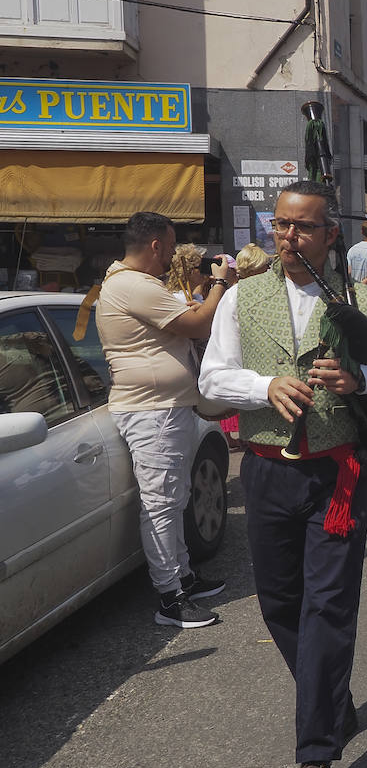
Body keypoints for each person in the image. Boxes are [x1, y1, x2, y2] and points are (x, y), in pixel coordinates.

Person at [199, 181, 367, 768]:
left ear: (331, 235)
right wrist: (263, 387)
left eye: (303, 227)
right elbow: (210, 381)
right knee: (281, 604)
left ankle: (316, 753)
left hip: (337, 475)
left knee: (328, 607)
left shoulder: (364, 299)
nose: (289, 237)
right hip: (266, 471)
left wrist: (360, 380)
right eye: (280, 225)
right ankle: (332, 701)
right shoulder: (239, 299)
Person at [95, 212, 231, 629]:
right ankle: (170, 598)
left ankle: (184, 577)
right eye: (171, 246)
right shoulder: (130, 286)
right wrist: (221, 284)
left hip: (167, 407)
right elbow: (197, 324)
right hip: (152, 412)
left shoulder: (140, 285)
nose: (173, 254)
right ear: (155, 245)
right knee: (161, 505)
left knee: (176, 497)